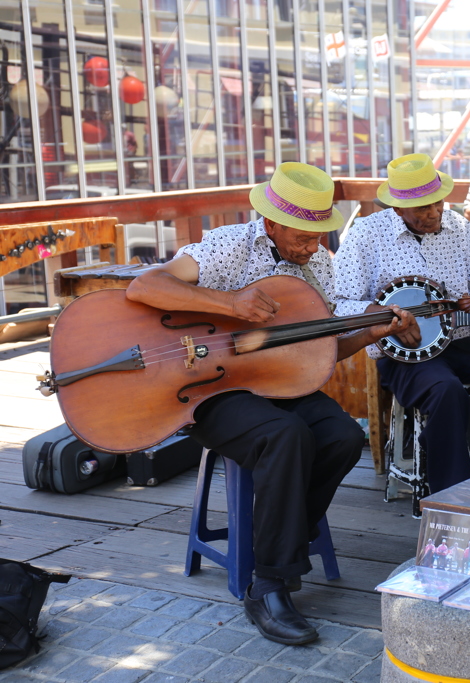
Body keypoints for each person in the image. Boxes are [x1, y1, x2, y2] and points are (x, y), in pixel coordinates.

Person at [125, 162, 413, 646]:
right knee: (286, 436)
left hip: (279, 383)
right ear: (273, 223)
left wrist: (367, 333)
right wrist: (231, 304)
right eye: (305, 234)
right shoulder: (229, 244)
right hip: (210, 387)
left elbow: (318, 349)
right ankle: (269, 584)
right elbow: (145, 286)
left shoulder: (317, 264)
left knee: (343, 436)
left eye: (322, 232)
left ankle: (278, 545)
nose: (316, 245)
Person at [332, 153, 470, 494]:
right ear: (397, 209)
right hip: (405, 355)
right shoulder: (367, 235)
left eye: (438, 203)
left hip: (467, 342)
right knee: (446, 392)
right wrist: (385, 316)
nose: (435, 213)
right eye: (423, 208)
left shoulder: (460, 228)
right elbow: (340, 303)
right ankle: (451, 505)